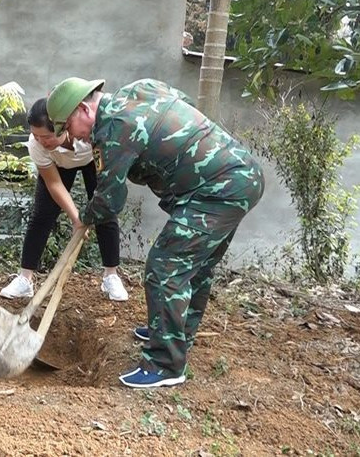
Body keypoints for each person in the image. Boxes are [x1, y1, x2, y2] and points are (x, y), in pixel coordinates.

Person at [47, 77, 264, 388]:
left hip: (216, 190)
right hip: (240, 174)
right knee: (196, 267)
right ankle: (173, 332)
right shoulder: (140, 90)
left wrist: (86, 217)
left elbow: (110, 198)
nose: (73, 137)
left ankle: (165, 366)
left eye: (68, 126)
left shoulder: (113, 128)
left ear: (83, 108)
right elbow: (182, 101)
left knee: (165, 267)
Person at [0, 98, 128, 302]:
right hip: (58, 165)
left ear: (63, 127)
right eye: (36, 136)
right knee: (42, 215)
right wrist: (76, 218)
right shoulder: (38, 146)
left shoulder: (86, 135)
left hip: (90, 161)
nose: (42, 141)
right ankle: (25, 279)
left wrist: (96, 205)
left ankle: (111, 275)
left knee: (106, 210)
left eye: (47, 136)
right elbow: (54, 185)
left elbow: (103, 171)